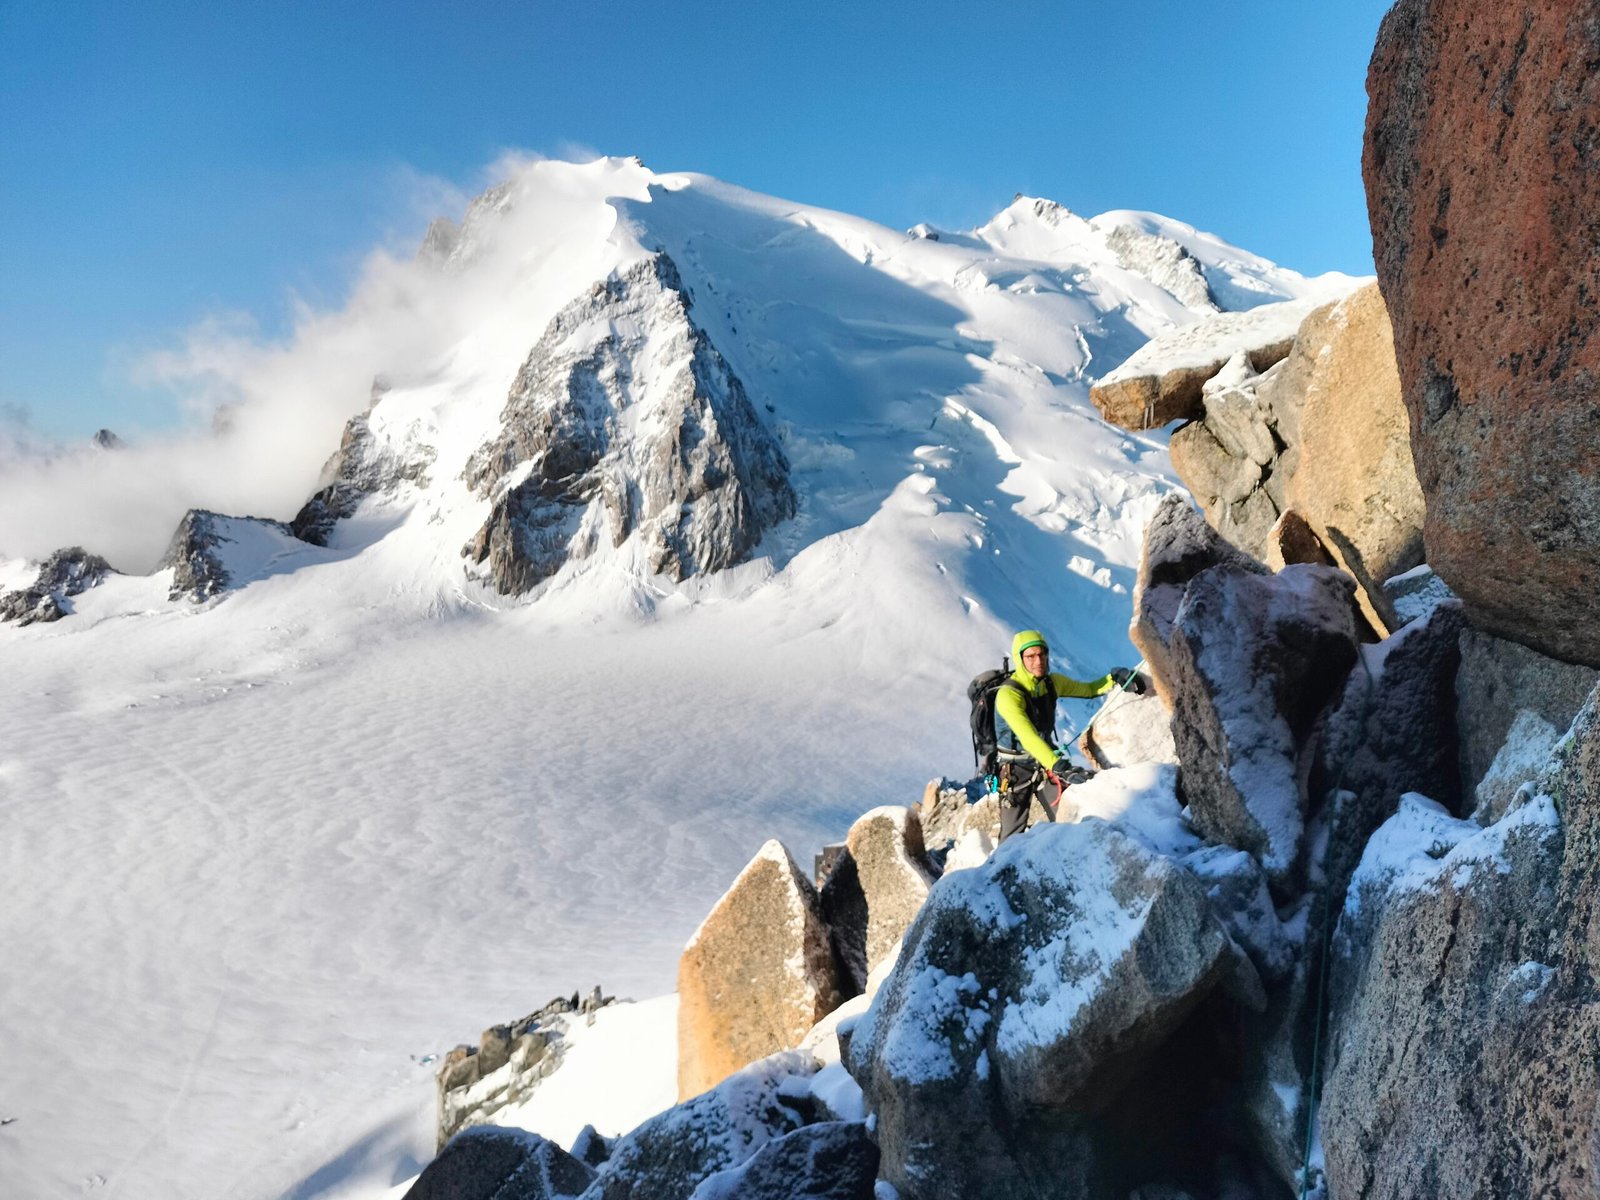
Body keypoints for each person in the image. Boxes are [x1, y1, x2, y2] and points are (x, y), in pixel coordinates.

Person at [993, 628, 1143, 842]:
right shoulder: (1008, 695)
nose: (1039, 661)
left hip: (1045, 763)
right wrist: (1058, 766)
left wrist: (1114, 677)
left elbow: (1089, 689)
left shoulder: (1051, 682)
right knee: (1011, 836)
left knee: (1070, 819)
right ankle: (1000, 872)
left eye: (1042, 654)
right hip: (1016, 770)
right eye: (1031, 656)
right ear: (1020, 658)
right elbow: (1028, 738)